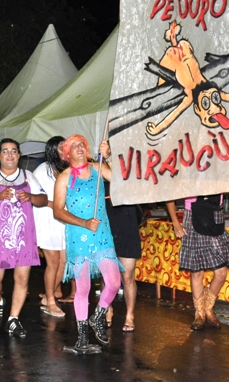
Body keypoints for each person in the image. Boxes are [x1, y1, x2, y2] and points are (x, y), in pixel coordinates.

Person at [53, 135, 121, 352]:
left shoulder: (98, 168)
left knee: (114, 282)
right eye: (74, 145)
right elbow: (57, 211)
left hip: (102, 234)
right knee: (83, 288)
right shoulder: (64, 178)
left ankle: (98, 316)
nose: (79, 147)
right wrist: (83, 222)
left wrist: (107, 157)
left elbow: (121, 179)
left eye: (82, 144)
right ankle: (82, 337)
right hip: (78, 235)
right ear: (67, 154)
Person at [0, 138, 47, 338]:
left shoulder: (28, 176)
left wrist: (31, 197)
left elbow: (43, 199)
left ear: (19, 155)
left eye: (14, 151)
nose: (10, 154)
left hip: (24, 236)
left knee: (22, 279)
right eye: (5, 151)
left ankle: (13, 319)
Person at [166, 191, 229, 330]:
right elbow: (170, 193)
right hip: (192, 217)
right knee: (197, 272)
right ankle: (200, 313)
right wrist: (175, 223)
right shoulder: (189, 175)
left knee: (221, 272)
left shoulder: (219, 175)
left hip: (215, 216)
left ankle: (207, 307)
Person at [99, 138, 142, 332]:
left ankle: (130, 314)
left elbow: (123, 182)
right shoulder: (100, 165)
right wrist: (103, 159)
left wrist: (108, 158)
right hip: (106, 224)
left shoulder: (132, 166)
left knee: (128, 276)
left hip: (127, 223)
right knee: (106, 275)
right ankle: (107, 308)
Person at [32, 136, 68, 318]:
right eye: (61, 148)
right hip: (46, 219)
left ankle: (49, 295)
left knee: (64, 261)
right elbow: (36, 197)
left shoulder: (68, 169)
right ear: (53, 149)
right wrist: (57, 206)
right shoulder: (42, 170)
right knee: (53, 262)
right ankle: (50, 302)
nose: (65, 150)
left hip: (63, 220)